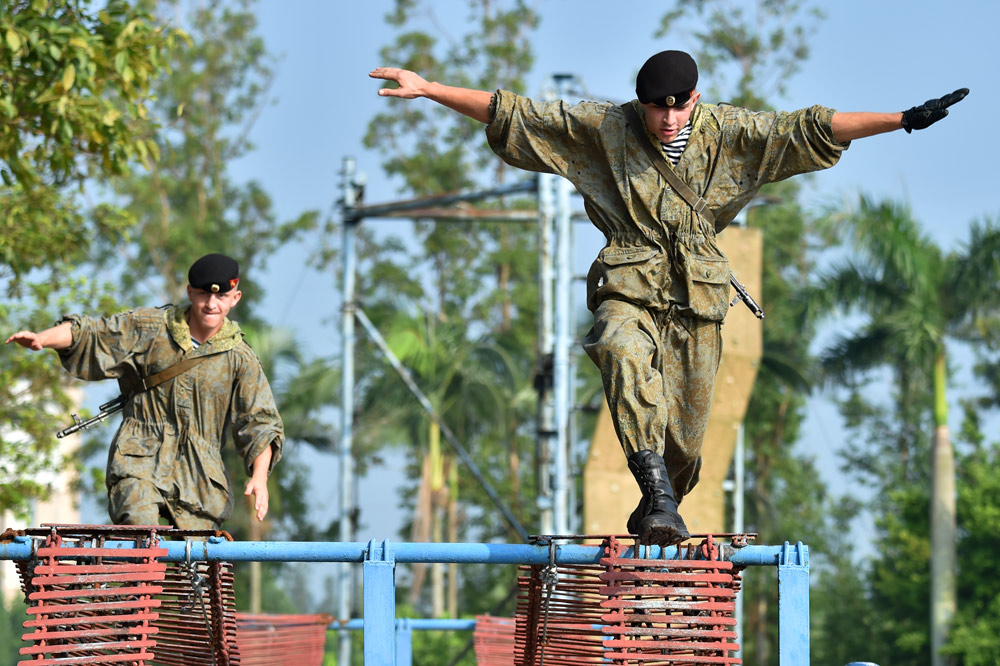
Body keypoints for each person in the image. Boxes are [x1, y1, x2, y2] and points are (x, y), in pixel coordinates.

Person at [369, 51, 967, 546]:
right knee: (618, 346)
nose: (670, 120)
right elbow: (517, 114)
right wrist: (429, 89)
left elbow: (808, 129)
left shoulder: (731, 131)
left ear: (696, 99)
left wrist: (903, 120)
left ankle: (663, 500)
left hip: (697, 298)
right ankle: (655, 492)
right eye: (659, 108)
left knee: (685, 439)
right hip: (629, 282)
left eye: (680, 107)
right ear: (643, 104)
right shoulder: (605, 127)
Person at [5, 253, 284, 530]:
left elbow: (260, 422)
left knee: (196, 563)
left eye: (221, 297)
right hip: (139, 458)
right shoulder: (151, 329)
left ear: (235, 298)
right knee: (141, 537)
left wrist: (259, 477)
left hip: (200, 477)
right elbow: (91, 334)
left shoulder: (239, 358)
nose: (211, 304)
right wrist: (43, 339)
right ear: (189, 292)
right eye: (202, 295)